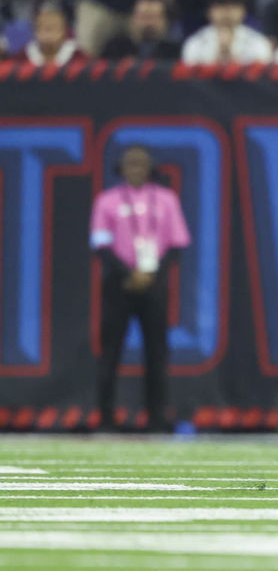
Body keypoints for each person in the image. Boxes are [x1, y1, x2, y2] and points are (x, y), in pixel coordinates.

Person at [89, 145, 192, 431]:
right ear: (121, 168)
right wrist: (128, 273)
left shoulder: (166, 199)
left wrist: (152, 274)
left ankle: (156, 417)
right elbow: (100, 244)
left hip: (154, 283)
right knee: (110, 351)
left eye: (141, 163)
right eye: (130, 163)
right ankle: (106, 417)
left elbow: (176, 245)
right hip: (118, 283)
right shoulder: (107, 201)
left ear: (150, 168)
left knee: (157, 352)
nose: (135, 168)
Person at [181, 0, 274, 64]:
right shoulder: (195, 43)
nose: (226, 13)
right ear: (208, 11)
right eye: (220, 6)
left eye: (233, 6)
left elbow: (261, 80)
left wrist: (231, 54)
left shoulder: (258, 43)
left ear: (244, 11)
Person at [100, 0, 181, 62]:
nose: (148, 23)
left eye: (154, 17)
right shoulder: (115, 49)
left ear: (165, 21)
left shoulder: (175, 52)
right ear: (133, 19)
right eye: (143, 17)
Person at [8, 5, 89, 67]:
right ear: (35, 32)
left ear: (63, 31)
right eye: (42, 28)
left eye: (52, 28)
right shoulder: (23, 56)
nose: (47, 34)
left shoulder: (77, 55)